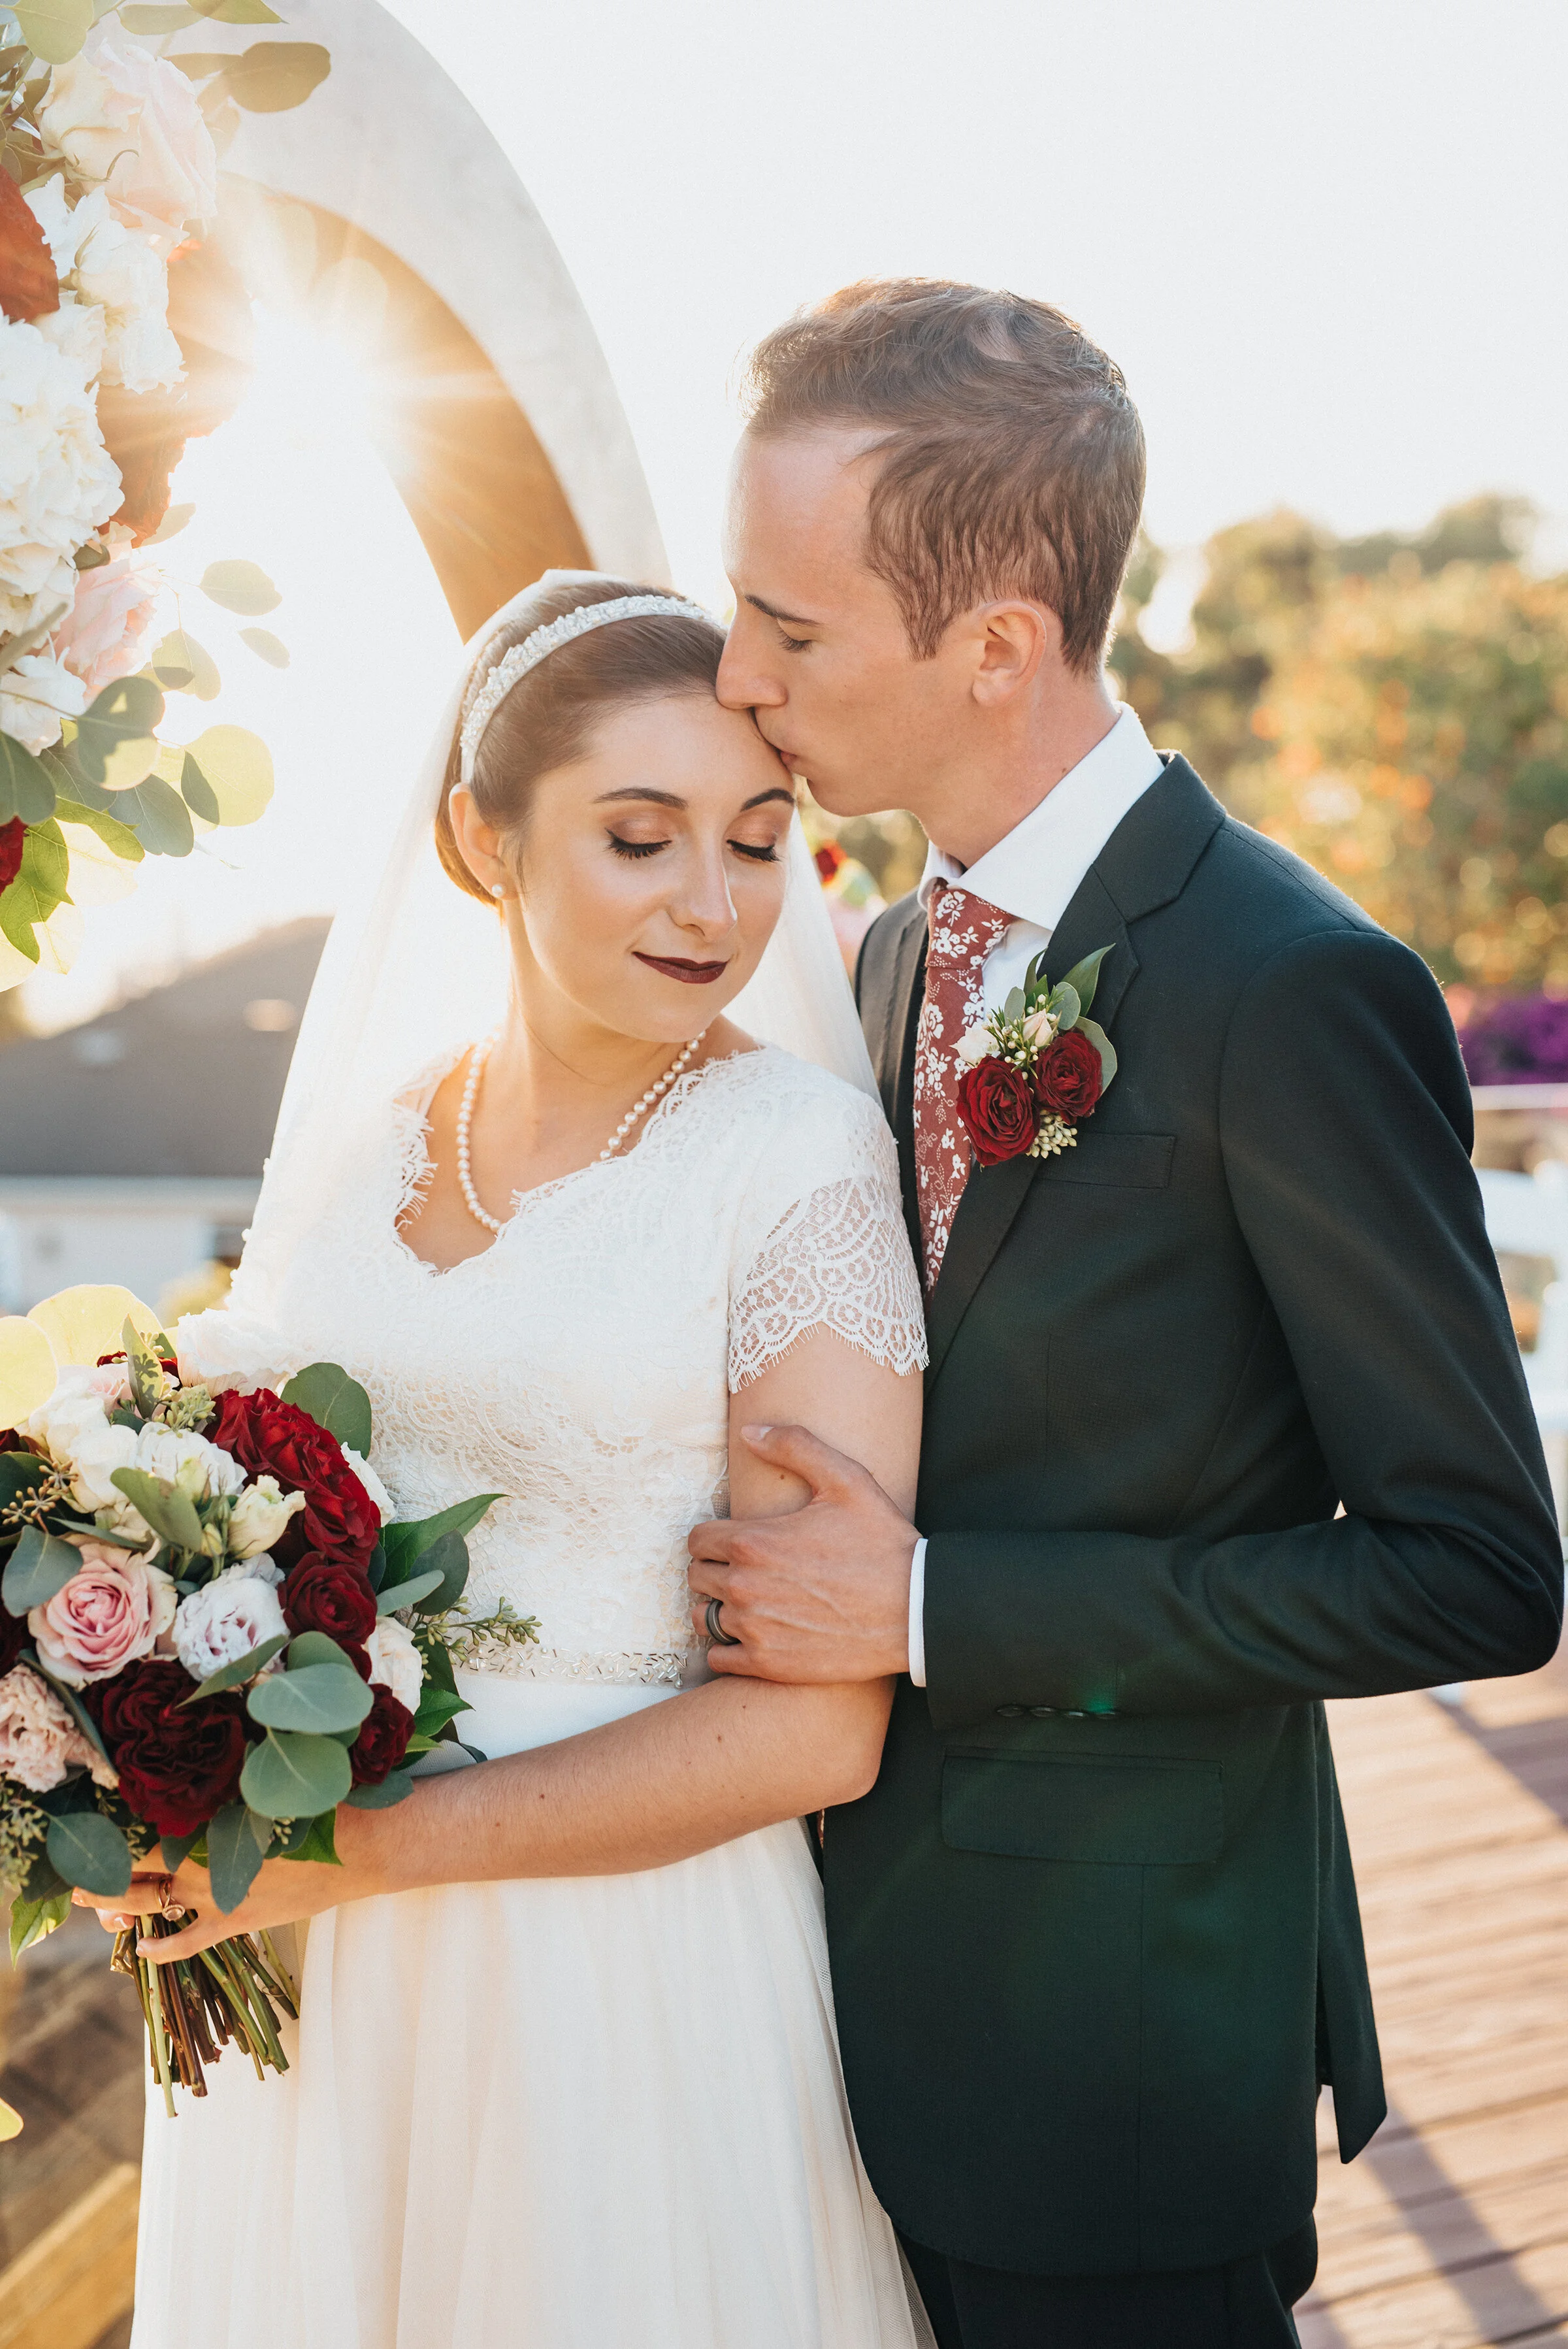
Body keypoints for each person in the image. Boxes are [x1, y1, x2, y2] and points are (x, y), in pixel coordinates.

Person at [687, 279, 1565, 2349]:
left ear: (995, 645)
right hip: (845, 2021)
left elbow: (1478, 1573)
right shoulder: (893, 954)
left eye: (790, 633)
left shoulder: (1289, 989)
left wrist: (925, 1613)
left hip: (1127, 2047)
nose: (737, 682)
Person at [91, 576, 935, 2349]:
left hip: (620, 1973)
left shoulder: (796, 1163)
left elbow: (815, 1723)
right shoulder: (358, 1150)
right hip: (325, 1981)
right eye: (643, 838)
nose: (714, 903)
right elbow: (215, 1518)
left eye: (758, 840)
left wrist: (369, 1855)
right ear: (484, 840)